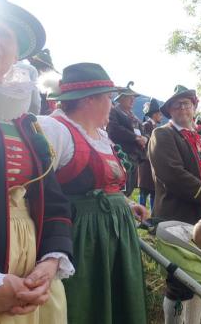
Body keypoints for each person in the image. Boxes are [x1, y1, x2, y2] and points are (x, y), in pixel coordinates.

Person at [0, 0, 73, 323]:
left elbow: (54, 199)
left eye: (6, 35)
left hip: (33, 282)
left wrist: (50, 261)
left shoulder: (26, 121)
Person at [38, 63, 148, 324]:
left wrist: (123, 202)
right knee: (87, 305)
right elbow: (38, 191)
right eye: (108, 98)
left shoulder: (100, 135)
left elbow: (101, 184)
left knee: (118, 302)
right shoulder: (55, 130)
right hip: (82, 239)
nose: (112, 105)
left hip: (114, 233)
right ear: (89, 100)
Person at [149, 85, 201, 324]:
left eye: (187, 104)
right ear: (169, 111)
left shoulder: (197, 138)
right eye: (177, 104)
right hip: (177, 218)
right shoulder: (162, 134)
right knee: (178, 282)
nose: (183, 108)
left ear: (194, 108)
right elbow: (172, 174)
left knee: (200, 277)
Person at [107, 82, 147, 197]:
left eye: (133, 98)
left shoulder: (134, 116)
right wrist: (135, 137)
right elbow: (114, 130)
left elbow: (144, 132)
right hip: (122, 156)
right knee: (122, 189)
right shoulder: (114, 111)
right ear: (121, 99)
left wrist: (144, 138)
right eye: (129, 97)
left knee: (130, 188)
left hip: (135, 156)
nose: (132, 100)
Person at [138, 98, 163, 209]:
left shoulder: (154, 127)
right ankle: (140, 216)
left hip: (153, 164)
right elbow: (144, 143)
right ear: (155, 114)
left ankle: (152, 216)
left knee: (153, 191)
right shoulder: (146, 125)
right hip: (146, 163)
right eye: (159, 114)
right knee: (144, 191)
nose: (161, 117)